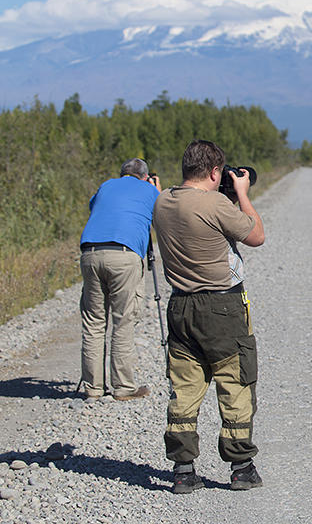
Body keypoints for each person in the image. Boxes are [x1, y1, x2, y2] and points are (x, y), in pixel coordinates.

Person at [153, 139, 265, 494]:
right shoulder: (217, 204)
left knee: (185, 388)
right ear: (216, 172)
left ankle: (183, 469)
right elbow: (256, 236)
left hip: (180, 305)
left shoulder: (163, 201)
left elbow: (197, 216)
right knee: (235, 383)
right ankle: (241, 467)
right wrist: (243, 193)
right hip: (222, 306)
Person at [79, 158, 161, 401]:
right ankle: (124, 387)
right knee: (123, 320)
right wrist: (155, 189)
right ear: (144, 176)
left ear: (123, 173)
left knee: (93, 322)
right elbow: (161, 213)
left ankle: (93, 387)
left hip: (90, 252)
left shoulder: (106, 185)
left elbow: (94, 207)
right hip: (124, 254)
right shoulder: (149, 189)